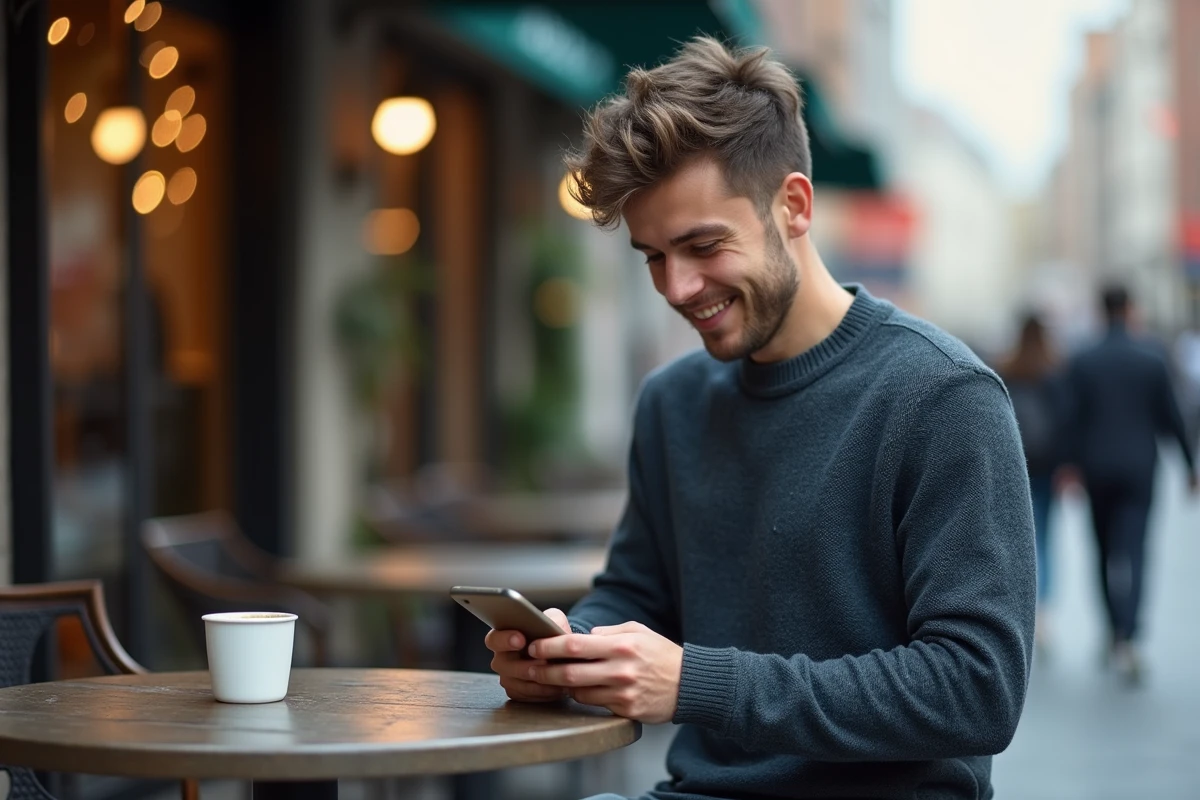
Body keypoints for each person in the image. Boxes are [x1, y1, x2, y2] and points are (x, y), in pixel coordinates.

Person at [484, 37, 1035, 800]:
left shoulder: (942, 398)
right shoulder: (671, 403)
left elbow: (978, 691)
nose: (677, 287)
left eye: (703, 246)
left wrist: (697, 683)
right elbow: (637, 594)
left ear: (795, 206)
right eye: (652, 256)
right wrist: (570, 648)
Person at [1063, 285, 1198, 686]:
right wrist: (1191, 466)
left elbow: (1071, 418)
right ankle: (1130, 634)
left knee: (1102, 550)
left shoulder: (1083, 359)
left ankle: (1112, 628)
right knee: (1136, 550)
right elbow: (1173, 417)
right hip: (1140, 469)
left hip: (1097, 468)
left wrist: (1068, 465)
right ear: (1132, 309)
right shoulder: (1152, 358)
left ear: (1101, 310)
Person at [998, 313, 1068, 651]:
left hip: (1016, 464)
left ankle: (1023, 612)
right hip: (1048, 467)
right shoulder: (1053, 371)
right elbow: (1066, 420)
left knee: (1021, 539)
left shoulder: (1007, 369)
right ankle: (1046, 618)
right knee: (1046, 538)